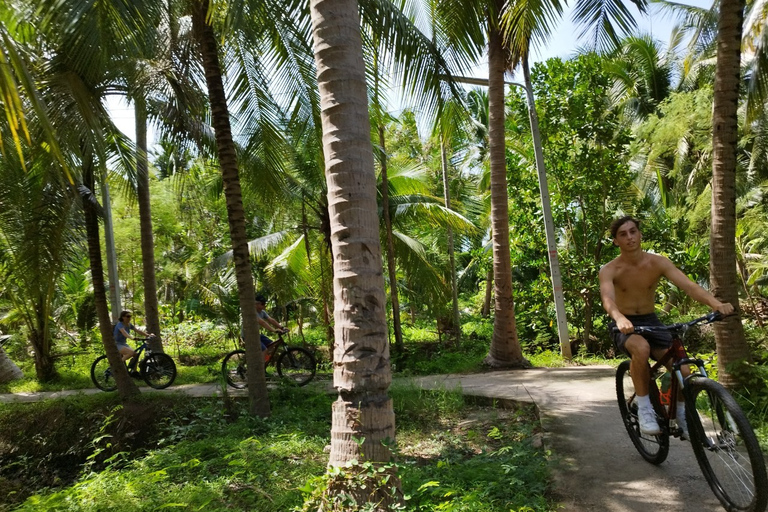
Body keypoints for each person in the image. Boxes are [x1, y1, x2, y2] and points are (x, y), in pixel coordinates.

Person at [599, 216, 734, 437]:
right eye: (623, 234)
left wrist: (716, 304)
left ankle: (681, 413)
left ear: (640, 234)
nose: (630, 237)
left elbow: (689, 286)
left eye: (633, 231)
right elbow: (608, 299)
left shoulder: (658, 262)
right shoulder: (610, 269)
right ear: (615, 241)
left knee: (684, 369)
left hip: (651, 321)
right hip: (624, 323)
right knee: (641, 349)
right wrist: (619, 318)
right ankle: (644, 408)